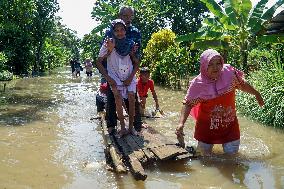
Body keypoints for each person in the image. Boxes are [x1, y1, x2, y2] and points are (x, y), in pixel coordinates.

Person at [175, 49, 264, 155]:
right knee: (204, 158)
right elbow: (188, 103)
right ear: (204, 66)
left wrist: (256, 93)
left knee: (232, 158)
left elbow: (242, 84)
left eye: (218, 63)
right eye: (211, 64)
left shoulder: (229, 74)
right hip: (207, 128)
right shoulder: (198, 84)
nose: (215, 67)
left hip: (229, 126)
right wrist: (181, 123)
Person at [101, 6, 143, 135]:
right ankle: (112, 125)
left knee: (132, 97)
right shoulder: (110, 31)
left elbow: (137, 56)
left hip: (128, 69)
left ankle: (136, 125)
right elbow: (103, 54)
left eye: (131, 16)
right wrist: (107, 76)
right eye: (125, 16)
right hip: (113, 69)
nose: (128, 19)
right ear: (120, 16)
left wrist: (132, 75)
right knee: (112, 96)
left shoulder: (135, 32)